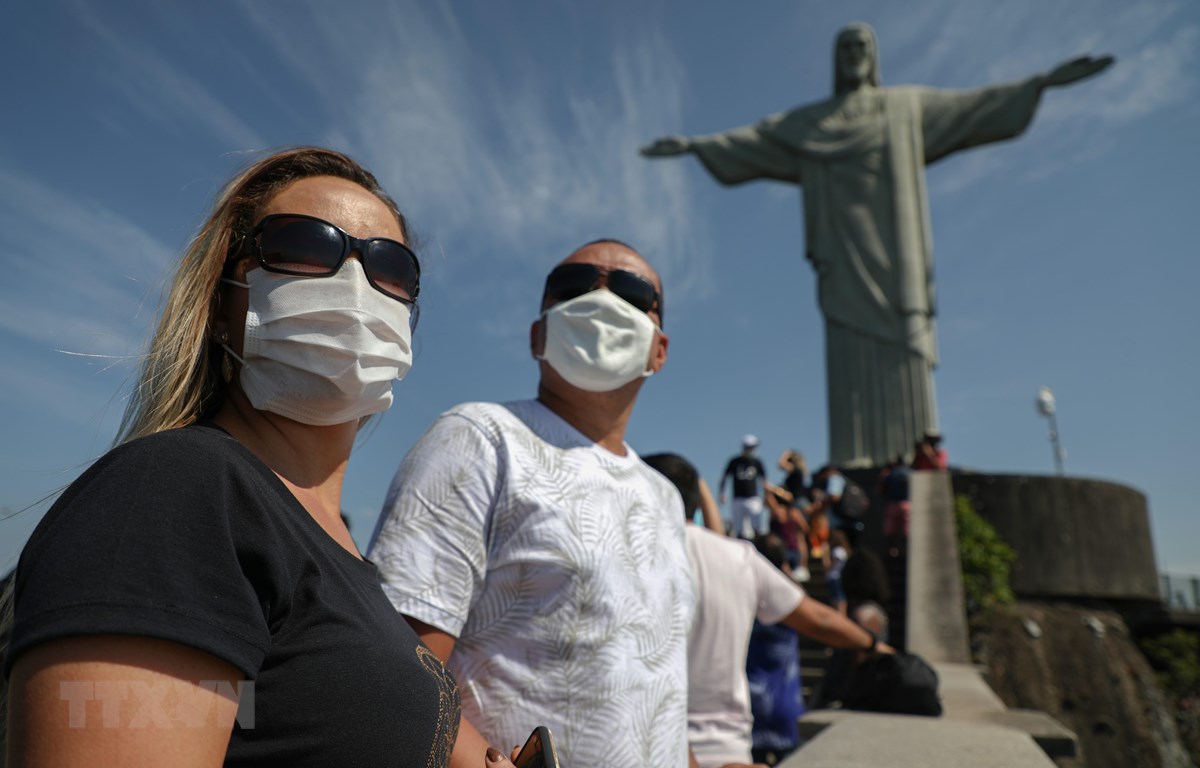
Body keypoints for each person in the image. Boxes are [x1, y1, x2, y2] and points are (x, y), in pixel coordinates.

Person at [2, 148, 501, 766]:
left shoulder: (339, 558)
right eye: (302, 245)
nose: (353, 283)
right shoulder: (180, 490)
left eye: (390, 266)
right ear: (220, 304)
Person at [641, 22, 1114, 468]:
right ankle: (858, 452)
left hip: (897, 248)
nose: (854, 55)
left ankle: (917, 449)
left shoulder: (905, 106)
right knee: (848, 339)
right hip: (843, 250)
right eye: (845, 47)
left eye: (861, 46)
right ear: (836, 58)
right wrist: (695, 145)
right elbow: (757, 138)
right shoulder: (812, 122)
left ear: (873, 57)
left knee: (905, 331)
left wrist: (1040, 84)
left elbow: (975, 106)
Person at [369, 240, 693, 768]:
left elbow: (658, 693)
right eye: (573, 288)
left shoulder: (665, 496)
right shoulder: (481, 437)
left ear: (660, 348)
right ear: (538, 335)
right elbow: (401, 666)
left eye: (633, 292)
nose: (603, 298)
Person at [643, 452, 892, 768]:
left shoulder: (626, 555)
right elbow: (819, 619)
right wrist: (873, 644)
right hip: (726, 750)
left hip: (649, 747)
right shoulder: (739, 558)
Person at [720, 435, 770, 538]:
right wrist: (722, 493)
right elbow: (725, 477)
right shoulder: (734, 461)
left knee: (757, 527)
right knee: (738, 529)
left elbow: (764, 481)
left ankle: (759, 548)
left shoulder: (757, 462)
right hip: (737, 498)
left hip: (753, 498)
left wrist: (767, 496)